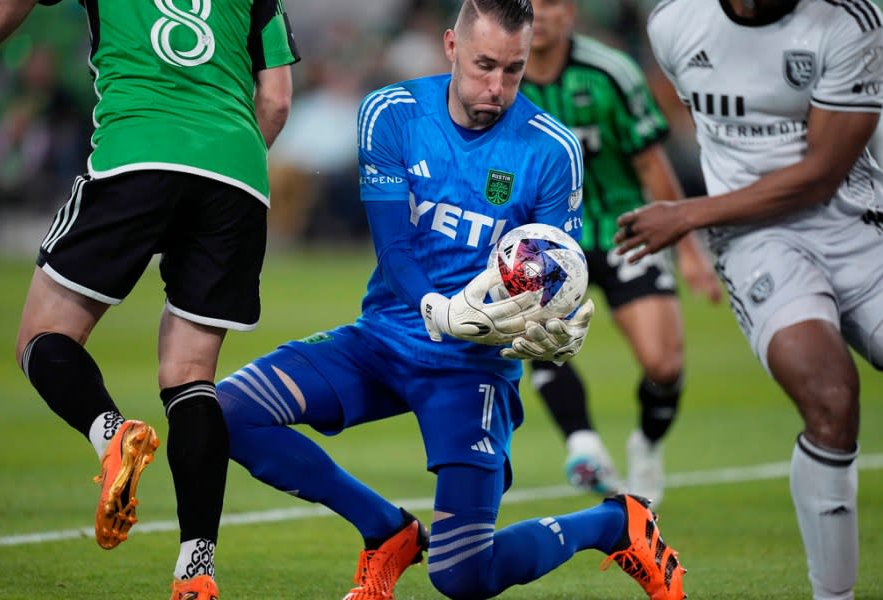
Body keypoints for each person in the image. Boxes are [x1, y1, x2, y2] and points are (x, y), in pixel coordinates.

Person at [216, 1, 687, 600]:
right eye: (484, 64)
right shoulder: (392, 113)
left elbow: (555, 269)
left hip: (474, 368)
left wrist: (557, 324)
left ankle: (615, 522)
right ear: (450, 47)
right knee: (228, 411)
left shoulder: (551, 149)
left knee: (462, 577)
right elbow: (395, 251)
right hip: (384, 339)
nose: (496, 87)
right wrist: (439, 308)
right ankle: (387, 530)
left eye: (513, 71)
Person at [0, 0, 299, 596]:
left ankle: (111, 433)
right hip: (235, 172)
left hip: (139, 150)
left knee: (42, 337)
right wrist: (220, 162)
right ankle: (196, 572)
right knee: (190, 376)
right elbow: (277, 98)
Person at [615, 1, 883, 598]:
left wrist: (687, 214)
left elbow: (821, 175)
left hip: (855, 225)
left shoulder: (847, 23)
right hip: (756, 239)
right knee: (831, 398)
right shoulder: (672, 23)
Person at [519, 0, 722, 506]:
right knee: (540, 337)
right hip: (544, 240)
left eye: (551, 3)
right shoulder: (497, 75)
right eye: (529, 3)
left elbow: (652, 164)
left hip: (624, 228)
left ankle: (646, 446)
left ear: (572, 10)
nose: (539, 13)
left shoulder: (611, 72)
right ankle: (582, 445)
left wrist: (690, 250)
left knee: (664, 364)